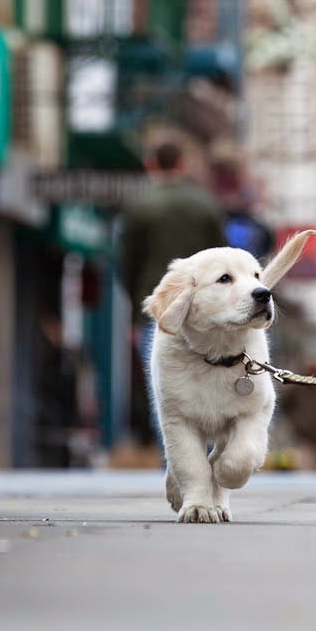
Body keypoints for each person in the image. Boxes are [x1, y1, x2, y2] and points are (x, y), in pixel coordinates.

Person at [119, 139, 226, 445]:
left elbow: (128, 266)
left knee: (164, 386)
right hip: (203, 310)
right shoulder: (205, 204)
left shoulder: (140, 207)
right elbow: (222, 258)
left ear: (151, 165)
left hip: (158, 309)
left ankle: (173, 459)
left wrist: (134, 317)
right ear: (182, 163)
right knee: (207, 380)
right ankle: (205, 450)